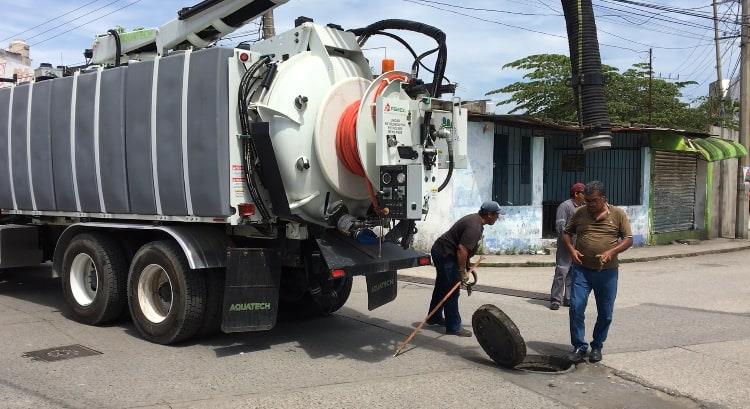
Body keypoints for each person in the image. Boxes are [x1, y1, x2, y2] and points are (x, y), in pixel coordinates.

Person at [562, 181, 633, 363]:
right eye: (587, 201)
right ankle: (579, 346)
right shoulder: (580, 213)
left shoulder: (618, 214)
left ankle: (597, 346)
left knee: (605, 312)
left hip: (607, 272)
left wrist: (611, 252)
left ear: (603, 198)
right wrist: (572, 250)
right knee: (576, 308)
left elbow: (628, 239)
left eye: (594, 201)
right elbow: (566, 233)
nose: (590, 205)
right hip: (582, 270)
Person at [427, 201, 502, 336]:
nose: (498, 218)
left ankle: (433, 317)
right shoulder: (474, 226)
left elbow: (464, 249)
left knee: (442, 285)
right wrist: (462, 272)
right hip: (445, 254)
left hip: (443, 251)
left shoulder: (476, 221)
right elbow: (462, 249)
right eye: (497, 215)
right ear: (489, 215)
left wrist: (466, 265)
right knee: (452, 290)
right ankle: (453, 326)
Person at [549, 182, 586, 311]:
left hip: (579, 244)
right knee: (562, 271)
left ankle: (569, 298)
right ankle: (555, 299)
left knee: (573, 272)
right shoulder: (565, 206)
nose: (585, 195)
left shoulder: (583, 207)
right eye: (583, 193)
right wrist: (568, 241)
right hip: (566, 244)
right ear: (576, 194)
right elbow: (560, 226)